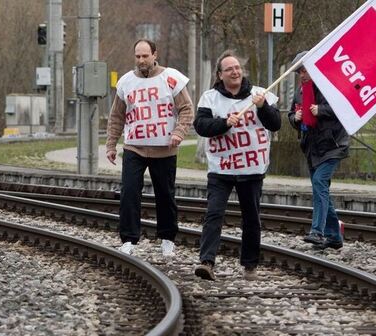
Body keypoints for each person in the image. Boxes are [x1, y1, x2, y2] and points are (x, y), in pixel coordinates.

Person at [193, 50, 281, 281]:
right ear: (220, 75)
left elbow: (275, 125)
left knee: (251, 217)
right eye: (229, 69)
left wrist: (263, 107)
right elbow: (201, 126)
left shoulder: (260, 94)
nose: (235, 71)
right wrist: (223, 123)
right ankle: (207, 262)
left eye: (237, 68)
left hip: (251, 169)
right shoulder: (210, 98)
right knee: (214, 214)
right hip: (221, 168)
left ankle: (250, 264)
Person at [106, 39, 194, 256]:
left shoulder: (171, 78)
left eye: (145, 56)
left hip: (164, 148)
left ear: (155, 54)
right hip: (134, 147)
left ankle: (167, 238)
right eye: (137, 56)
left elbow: (186, 109)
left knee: (165, 194)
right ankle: (128, 239)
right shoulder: (126, 82)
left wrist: (179, 132)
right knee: (129, 192)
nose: (141, 60)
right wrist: (111, 144)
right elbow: (116, 116)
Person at [288, 51, 350, 250]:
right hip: (312, 147)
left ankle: (317, 232)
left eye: (305, 70)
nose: (302, 75)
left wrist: (320, 110)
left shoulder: (329, 85)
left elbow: (344, 107)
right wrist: (294, 118)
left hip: (333, 146)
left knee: (319, 182)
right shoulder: (300, 91)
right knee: (320, 188)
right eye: (299, 72)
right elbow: (291, 114)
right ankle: (334, 237)